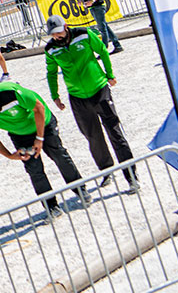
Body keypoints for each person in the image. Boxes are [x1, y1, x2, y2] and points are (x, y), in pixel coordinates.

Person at [43, 15, 139, 192]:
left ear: (65, 26)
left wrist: (110, 74)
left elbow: (102, 50)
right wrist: (55, 95)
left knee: (114, 131)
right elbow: (51, 72)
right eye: (52, 34)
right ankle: (106, 170)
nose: (56, 36)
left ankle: (131, 175)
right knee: (93, 137)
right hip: (77, 97)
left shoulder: (84, 34)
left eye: (57, 32)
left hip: (99, 89)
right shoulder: (50, 49)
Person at [0, 82, 90, 218]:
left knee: (59, 155)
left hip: (43, 124)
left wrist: (40, 137)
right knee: (34, 168)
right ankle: (51, 206)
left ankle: (80, 189)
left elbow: (38, 108)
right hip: (20, 135)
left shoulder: (10, 93)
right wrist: (9, 155)